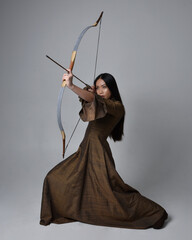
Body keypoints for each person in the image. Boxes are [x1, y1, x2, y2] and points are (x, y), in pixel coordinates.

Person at [40, 70, 168, 229]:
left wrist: (71, 86)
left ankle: (155, 213)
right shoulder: (98, 102)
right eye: (98, 87)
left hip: (98, 153)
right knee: (53, 178)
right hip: (85, 150)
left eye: (104, 87)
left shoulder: (116, 107)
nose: (100, 91)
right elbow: (90, 99)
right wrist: (86, 91)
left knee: (111, 194)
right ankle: (64, 210)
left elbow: (93, 99)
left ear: (112, 89)